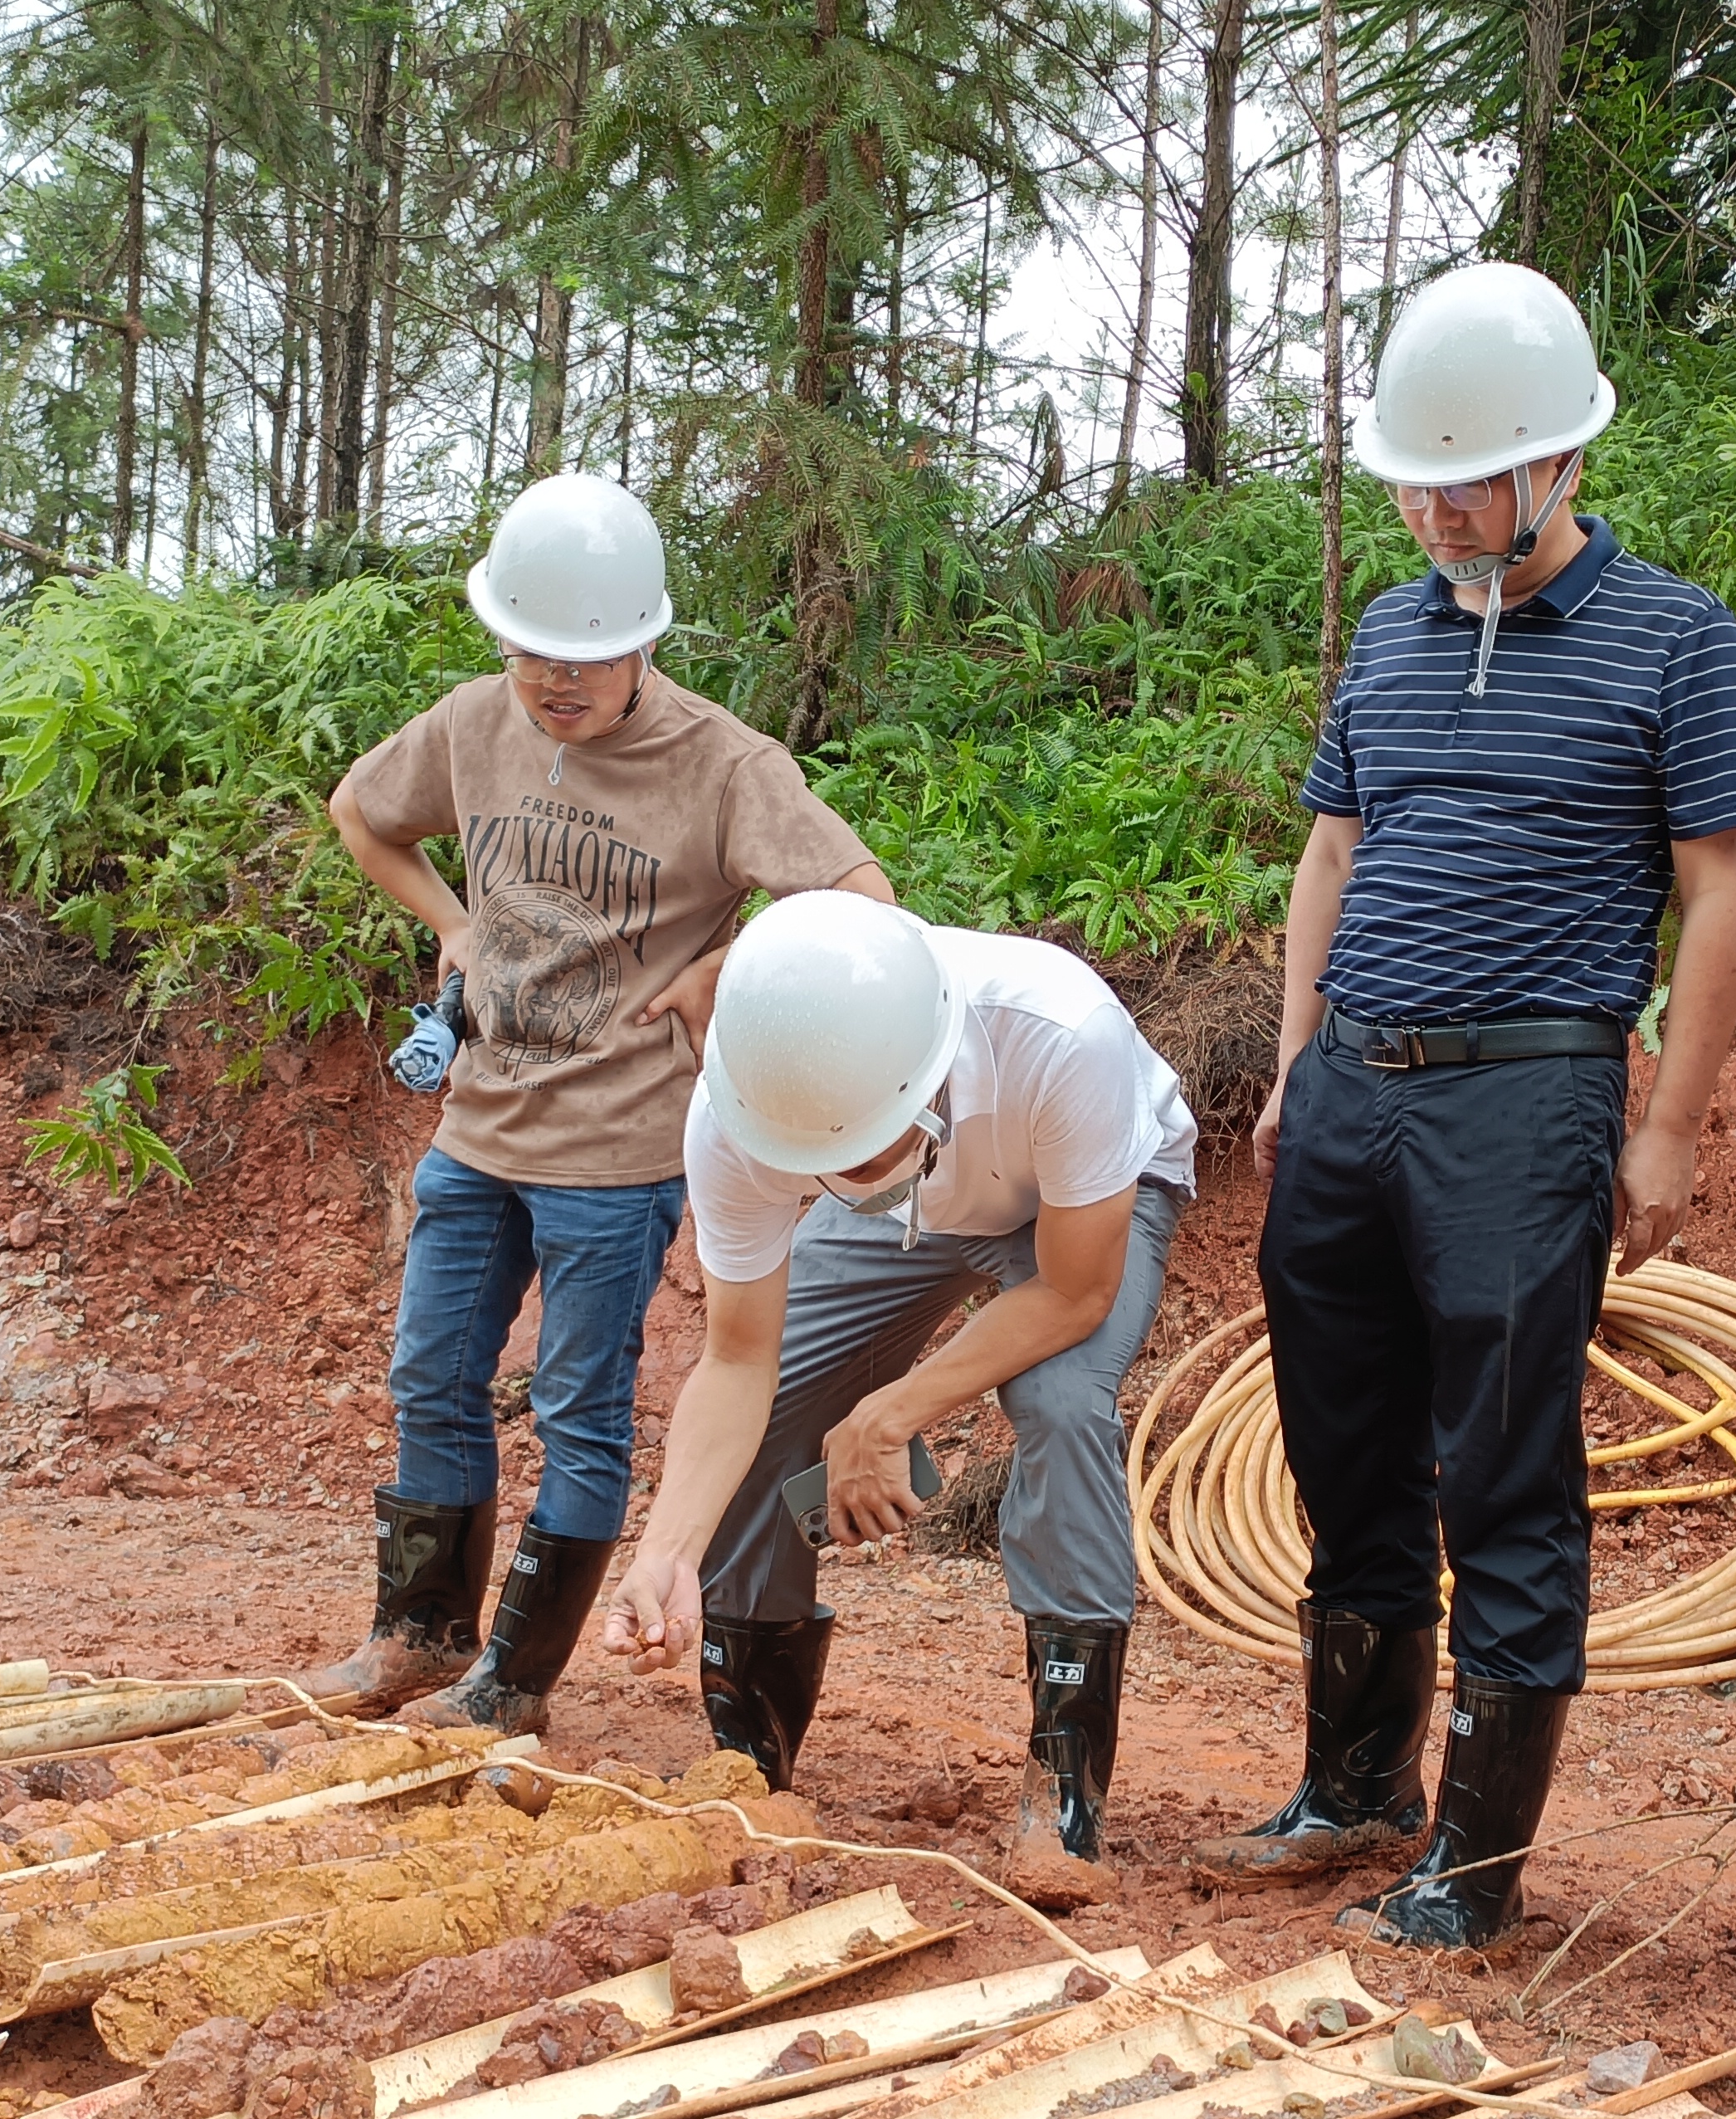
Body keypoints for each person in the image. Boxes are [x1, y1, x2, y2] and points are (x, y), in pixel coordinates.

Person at [1189, 261, 1736, 1951]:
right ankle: (1355, 1787)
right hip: (1352, 1089)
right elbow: (1331, 850)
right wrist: (1298, 1056)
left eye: (1467, 476)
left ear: (1558, 465)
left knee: (1504, 1470)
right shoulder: (1385, 628)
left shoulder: (1672, 635)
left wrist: (1662, 1124)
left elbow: (1717, 888)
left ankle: (1475, 1863)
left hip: (1525, 1101)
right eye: (1411, 477)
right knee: (1344, 1445)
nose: (1434, 507)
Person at [297, 471, 893, 1736]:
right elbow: (362, 813)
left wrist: (719, 972)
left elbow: (860, 898)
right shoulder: (471, 726)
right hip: (479, 1124)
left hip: (618, 1156)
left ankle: (513, 1683)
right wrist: (454, 926)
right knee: (433, 1377)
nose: (558, 685)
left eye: (589, 660)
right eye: (532, 657)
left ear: (646, 641)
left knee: (578, 1407)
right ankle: (417, 1633)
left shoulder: (724, 764)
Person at [595, 891, 1196, 1909]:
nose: (837, 1174)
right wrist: (664, 1549)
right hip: (919, 1210)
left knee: (1057, 1398)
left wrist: (892, 1409)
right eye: (814, 1163)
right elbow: (737, 1359)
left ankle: (1063, 1790)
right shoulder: (746, 1115)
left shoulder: (1059, 1035)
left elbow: (1074, 1290)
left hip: (1070, 1204)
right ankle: (751, 1763)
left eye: (861, 1149)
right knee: (780, 1400)